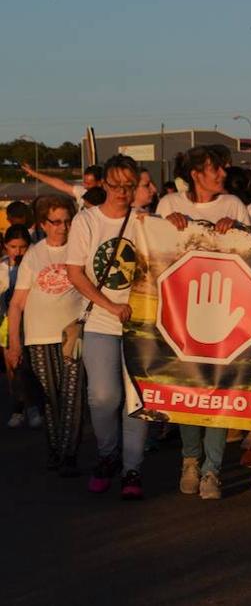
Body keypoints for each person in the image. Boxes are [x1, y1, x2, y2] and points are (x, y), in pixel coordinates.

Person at [157, 145, 251, 501]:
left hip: (225, 309)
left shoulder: (233, 205)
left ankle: (213, 469)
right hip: (182, 312)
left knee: (217, 390)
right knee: (188, 390)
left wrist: (238, 229)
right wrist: (165, 227)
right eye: (216, 169)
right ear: (196, 173)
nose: (223, 175)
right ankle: (190, 459)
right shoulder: (169, 204)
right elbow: (155, 252)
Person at [65, 154, 147, 498]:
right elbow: (75, 272)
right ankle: (107, 453)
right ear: (103, 184)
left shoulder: (143, 221)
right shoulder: (86, 221)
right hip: (101, 320)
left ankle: (132, 469)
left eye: (129, 185)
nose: (122, 192)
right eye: (115, 185)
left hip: (140, 326)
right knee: (103, 396)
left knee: (136, 400)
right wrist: (110, 306)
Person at [5, 196, 86, 472]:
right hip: (39, 337)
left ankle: (69, 455)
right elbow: (17, 303)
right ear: (43, 224)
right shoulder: (34, 254)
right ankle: (55, 451)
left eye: (67, 221)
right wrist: (14, 344)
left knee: (73, 397)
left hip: (73, 335)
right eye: (56, 222)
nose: (63, 227)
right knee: (49, 399)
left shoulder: (80, 249)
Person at [2, 226, 38, 428]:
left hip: (32, 321)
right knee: (12, 368)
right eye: (13, 247)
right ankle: (18, 407)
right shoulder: (1, 268)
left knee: (29, 366)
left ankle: (33, 407)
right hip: (6, 323)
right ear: (5, 246)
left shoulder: (33, 265)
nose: (17, 251)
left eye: (22, 247)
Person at [22, 163, 102, 208]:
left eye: (88, 184)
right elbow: (57, 183)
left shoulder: (106, 201)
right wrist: (34, 173)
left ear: (100, 183)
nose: (85, 186)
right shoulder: (81, 191)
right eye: (84, 182)